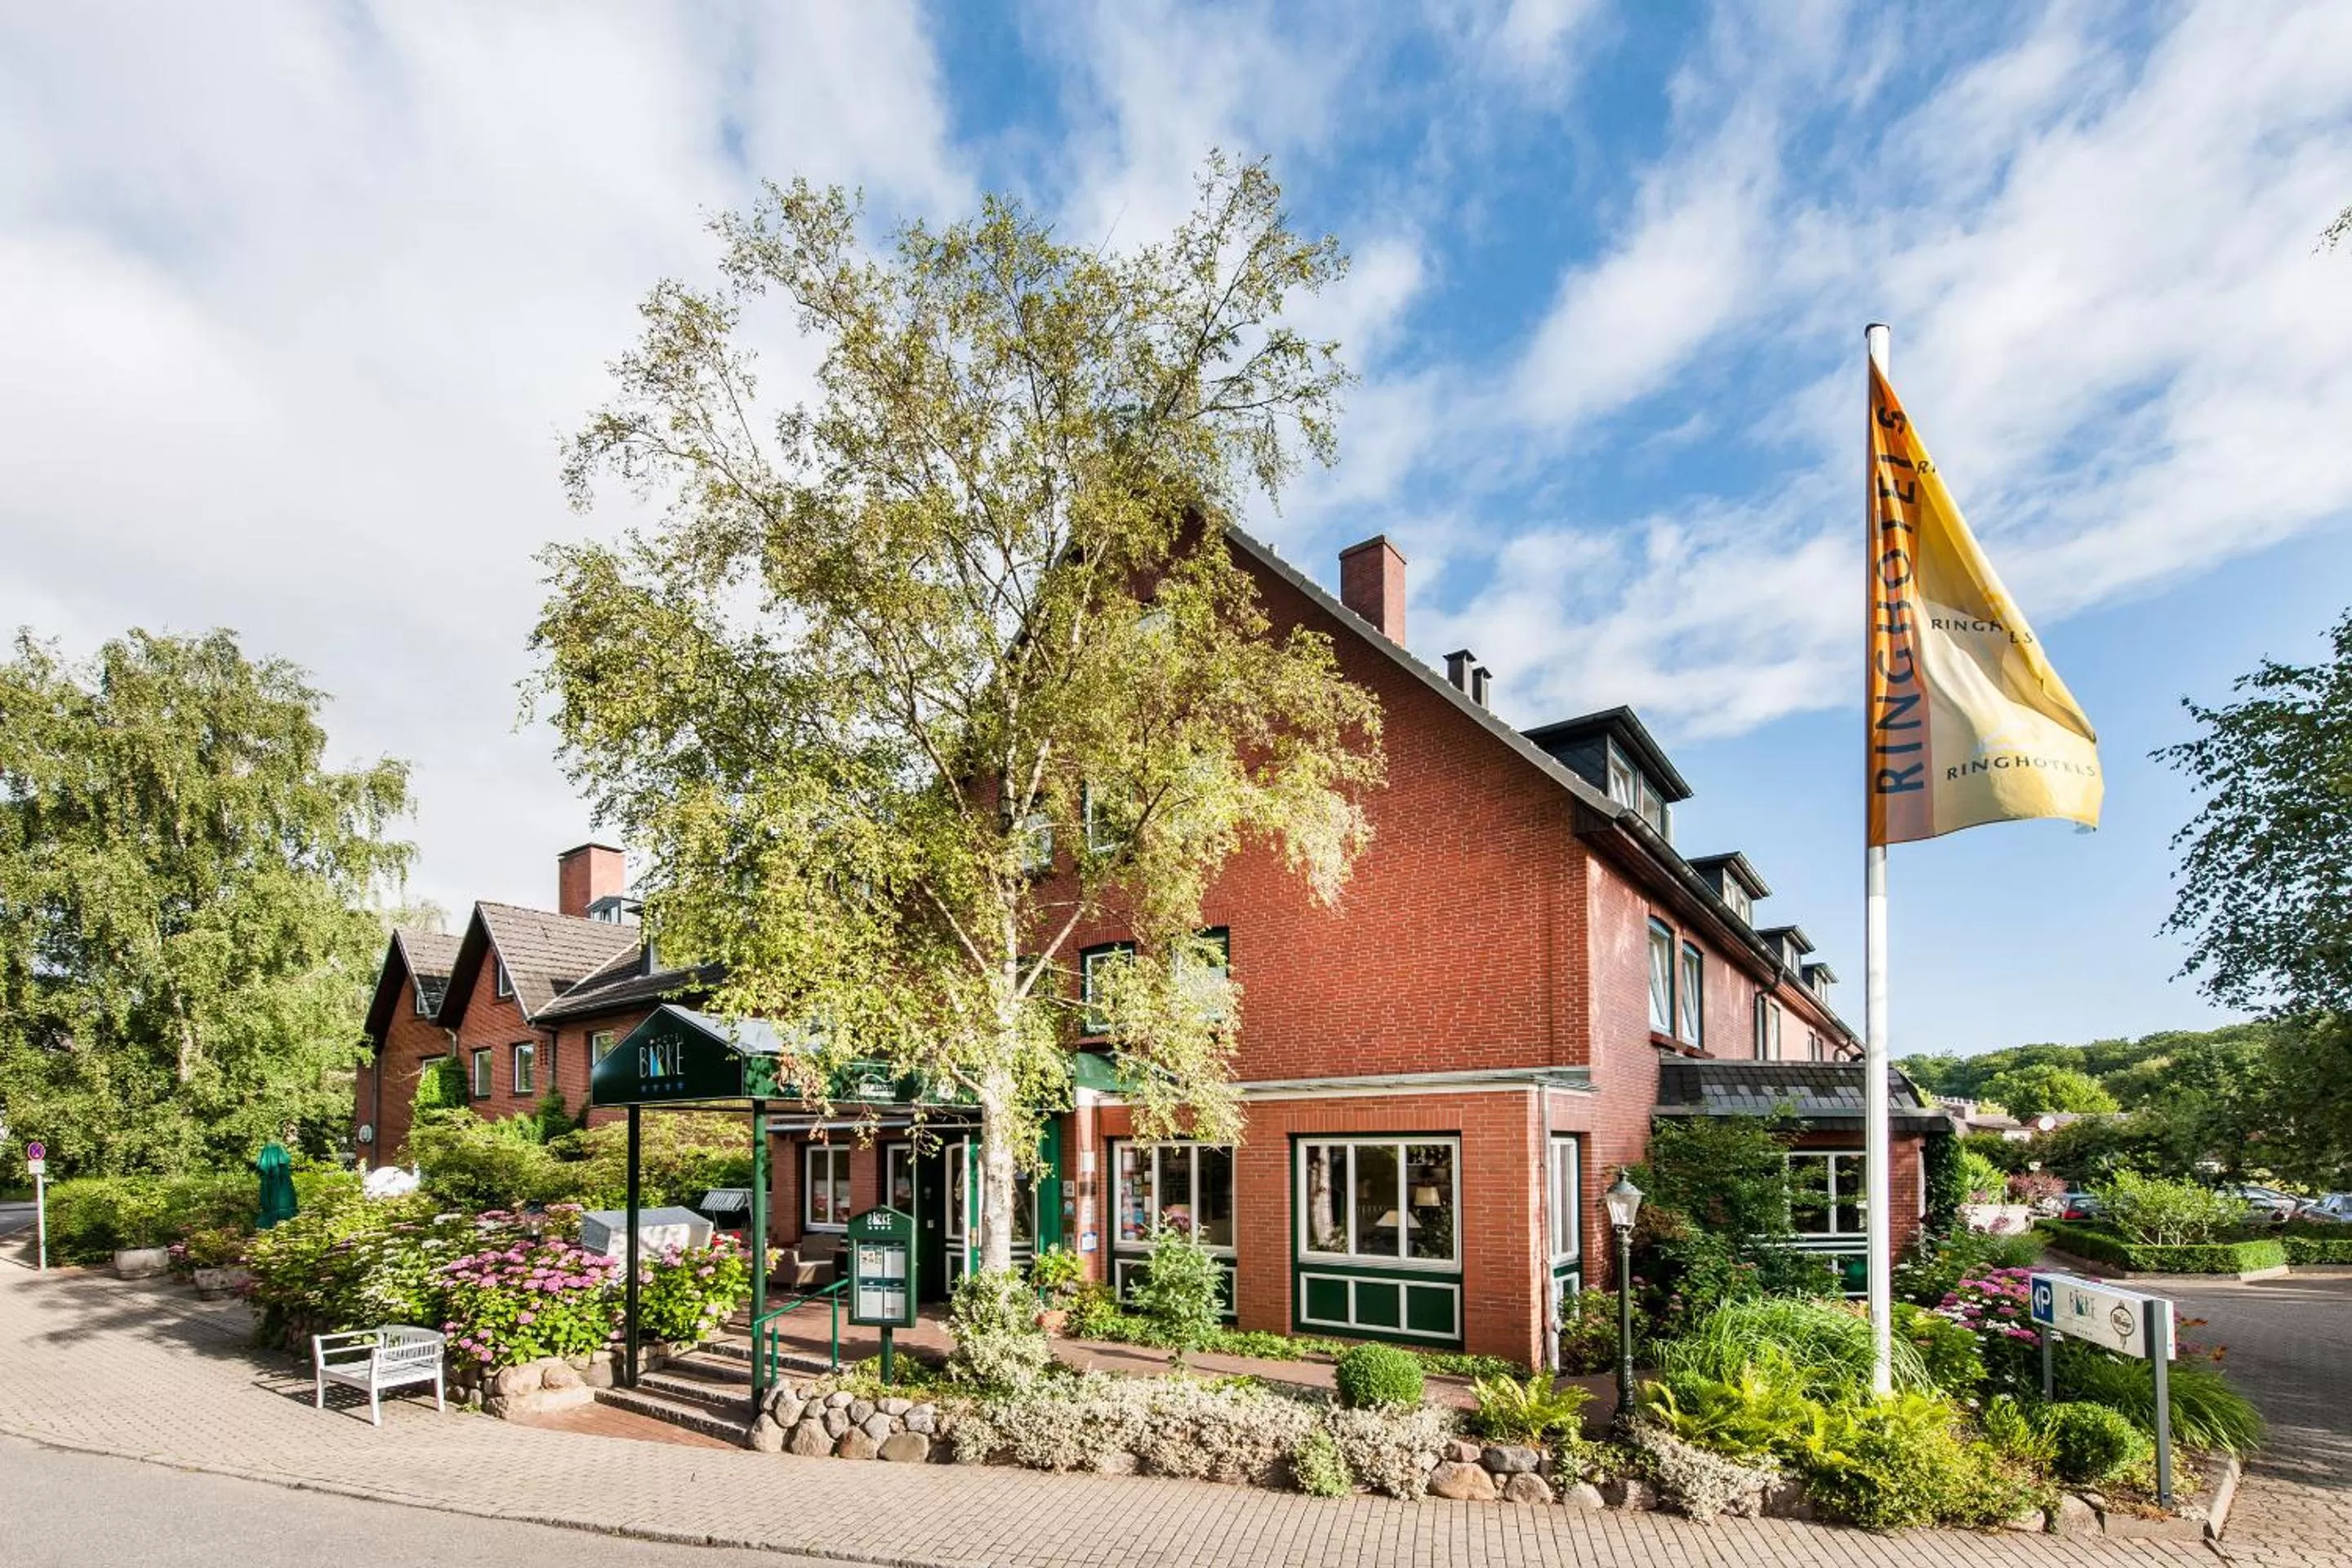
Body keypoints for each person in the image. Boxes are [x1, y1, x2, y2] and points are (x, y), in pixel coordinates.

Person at [255, 1127, 299, 1231]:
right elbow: (286, 1159)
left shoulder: (267, 1174)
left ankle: (273, 1224)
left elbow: (262, 1165)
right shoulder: (283, 1170)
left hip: (271, 1190)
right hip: (282, 1196)